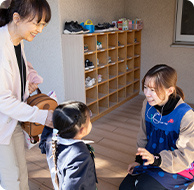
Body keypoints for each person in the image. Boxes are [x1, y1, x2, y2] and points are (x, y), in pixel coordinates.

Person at [0, 0, 53, 189]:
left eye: (43, 25)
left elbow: (21, 66)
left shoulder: (16, 42)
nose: (40, 29)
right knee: (10, 179)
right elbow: (2, 100)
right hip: (2, 122)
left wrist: (30, 77)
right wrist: (43, 116)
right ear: (16, 18)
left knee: (21, 171)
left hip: (12, 120)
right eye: (36, 23)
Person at [119, 64, 194, 190]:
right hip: (150, 158)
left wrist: (157, 159)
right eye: (145, 87)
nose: (147, 94)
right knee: (125, 188)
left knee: (144, 187)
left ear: (169, 90)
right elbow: (143, 134)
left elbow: (185, 155)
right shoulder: (147, 105)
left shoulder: (187, 116)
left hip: (177, 165)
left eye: (153, 90)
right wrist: (138, 160)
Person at [39, 101, 98, 190]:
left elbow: (42, 144)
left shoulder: (50, 139)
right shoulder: (79, 155)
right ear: (82, 130)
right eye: (89, 120)